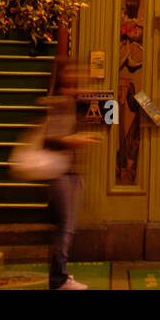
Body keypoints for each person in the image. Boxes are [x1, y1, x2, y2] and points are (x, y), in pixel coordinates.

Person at [41, 95, 98, 290]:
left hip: (68, 173)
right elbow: (48, 141)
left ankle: (60, 274)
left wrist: (76, 175)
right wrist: (70, 141)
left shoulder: (71, 104)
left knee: (67, 227)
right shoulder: (58, 104)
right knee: (64, 227)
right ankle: (58, 279)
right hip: (59, 173)